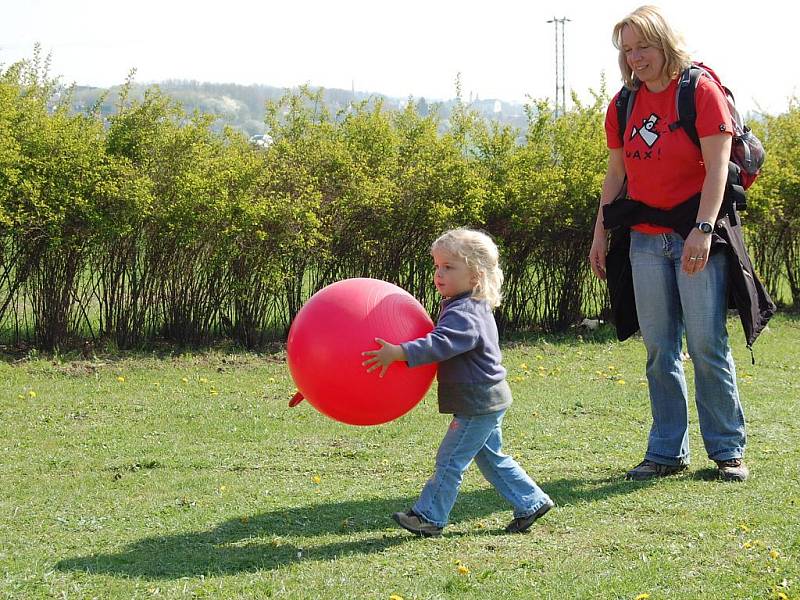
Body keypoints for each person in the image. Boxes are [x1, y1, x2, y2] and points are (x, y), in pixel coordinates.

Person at [589, 5, 749, 482]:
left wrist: (703, 230)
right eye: (627, 50)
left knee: (706, 345)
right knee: (660, 349)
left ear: (665, 43)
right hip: (644, 238)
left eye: (644, 47)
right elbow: (616, 173)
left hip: (695, 234)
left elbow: (717, 167)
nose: (636, 58)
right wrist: (600, 233)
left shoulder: (699, 91)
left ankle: (727, 452)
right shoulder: (623, 102)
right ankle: (665, 452)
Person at [362, 228, 553, 536]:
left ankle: (428, 516)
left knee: (450, 459)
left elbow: (442, 343)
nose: (439, 274)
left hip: (478, 402)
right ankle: (531, 501)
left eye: (449, 267)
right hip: (485, 398)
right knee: (491, 458)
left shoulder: (465, 311)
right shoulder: (464, 304)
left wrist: (400, 352)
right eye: (437, 266)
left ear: (475, 275)